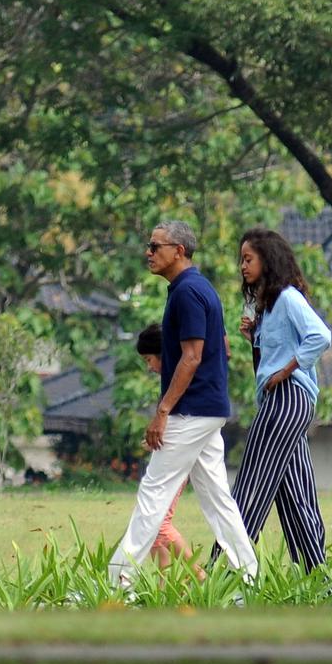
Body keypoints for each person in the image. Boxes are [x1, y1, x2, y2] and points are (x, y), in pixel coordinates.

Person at [107, 221, 258, 588]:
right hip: (208, 408)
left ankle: (118, 583)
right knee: (218, 499)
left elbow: (192, 357)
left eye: (155, 246)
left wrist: (163, 412)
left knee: (153, 494)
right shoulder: (196, 288)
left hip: (191, 410)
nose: (149, 252)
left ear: (179, 250)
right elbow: (219, 345)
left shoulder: (188, 292)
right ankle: (248, 580)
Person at [226, 228, 332, 570]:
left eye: (248, 258)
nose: (242, 266)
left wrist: (288, 370)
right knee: (295, 497)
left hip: (287, 399)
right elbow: (269, 361)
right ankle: (317, 577)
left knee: (251, 485)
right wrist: (253, 337)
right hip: (282, 401)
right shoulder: (269, 306)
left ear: (267, 260)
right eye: (241, 259)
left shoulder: (287, 297)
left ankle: (226, 572)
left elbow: (320, 336)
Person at [135, 324, 205, 580]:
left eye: (149, 359)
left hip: (179, 456)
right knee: (151, 527)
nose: (149, 366)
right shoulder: (170, 381)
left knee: (157, 523)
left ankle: (200, 578)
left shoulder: (182, 380)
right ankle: (165, 589)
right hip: (173, 452)